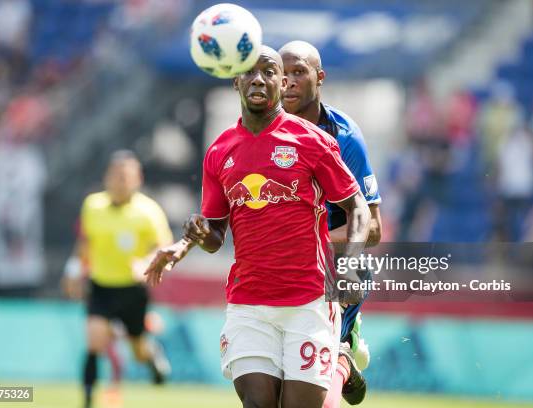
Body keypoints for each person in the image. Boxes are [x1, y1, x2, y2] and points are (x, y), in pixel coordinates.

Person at [145, 46, 371, 408]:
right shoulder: (219, 151)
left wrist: (348, 265)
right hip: (249, 303)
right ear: (236, 81)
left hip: (308, 301)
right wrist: (200, 236)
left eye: (269, 72)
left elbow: (357, 206)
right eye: (249, 72)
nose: (258, 79)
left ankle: (344, 354)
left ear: (282, 83)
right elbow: (216, 234)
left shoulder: (313, 141)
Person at [279, 40, 382, 407]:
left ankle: (342, 345)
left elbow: (372, 228)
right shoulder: (262, 132)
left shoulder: (344, 136)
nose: (288, 82)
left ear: (320, 78)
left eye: (299, 72)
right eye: (282, 74)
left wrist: (308, 239)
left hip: (331, 266)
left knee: (312, 384)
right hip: (277, 270)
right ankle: (346, 348)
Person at [62, 150, 172, 408]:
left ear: (137, 179)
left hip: (133, 290)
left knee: (138, 350)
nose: (120, 181)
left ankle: (152, 355)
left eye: (126, 176)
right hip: (101, 287)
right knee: (95, 340)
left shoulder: (149, 211)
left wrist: (146, 262)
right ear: (107, 178)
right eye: (116, 176)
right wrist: (72, 271)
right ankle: (88, 398)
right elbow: (85, 242)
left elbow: (164, 246)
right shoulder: (93, 205)